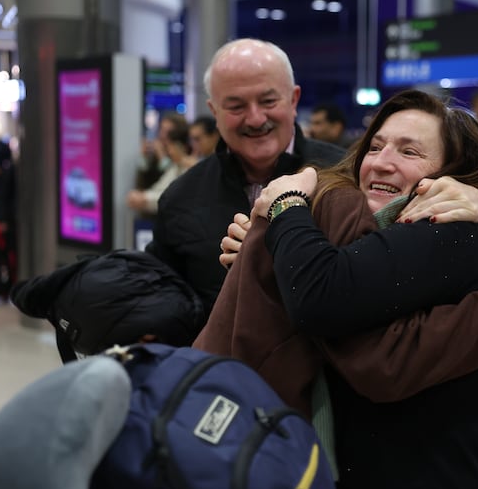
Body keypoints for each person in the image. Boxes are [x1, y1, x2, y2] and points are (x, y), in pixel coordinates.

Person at [198, 89, 478, 489]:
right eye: (375, 146)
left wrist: (285, 219)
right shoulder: (343, 216)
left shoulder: (450, 234)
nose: (381, 160)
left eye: (409, 151)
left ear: (451, 175)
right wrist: (277, 260)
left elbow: (361, 344)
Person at [145, 38, 346, 318]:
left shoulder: (344, 175)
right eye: (236, 107)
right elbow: (165, 305)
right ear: (214, 112)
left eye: (268, 101)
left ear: (294, 100)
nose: (254, 118)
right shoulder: (180, 197)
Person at [126, 126, 199, 215]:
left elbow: (173, 197)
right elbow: (160, 187)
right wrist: (144, 196)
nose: (169, 152)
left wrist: (144, 199)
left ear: (181, 146)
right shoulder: (176, 166)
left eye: (170, 147)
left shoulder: (191, 167)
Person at [135, 112, 188, 192]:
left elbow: (172, 183)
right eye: (161, 129)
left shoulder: (183, 154)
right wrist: (144, 159)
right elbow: (142, 185)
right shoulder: (154, 154)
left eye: (168, 131)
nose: (162, 135)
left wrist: (162, 157)